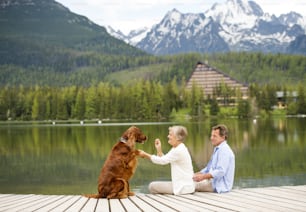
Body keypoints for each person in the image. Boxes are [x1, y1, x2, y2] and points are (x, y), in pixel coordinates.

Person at [138, 126, 195, 195]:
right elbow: (164, 159)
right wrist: (159, 149)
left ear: (178, 138)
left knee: (152, 186)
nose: (168, 136)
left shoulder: (178, 150)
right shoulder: (178, 148)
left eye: (170, 135)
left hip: (183, 188)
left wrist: (145, 155)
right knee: (154, 186)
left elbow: (162, 161)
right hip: (184, 185)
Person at [193, 124, 235, 193]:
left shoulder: (224, 151)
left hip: (219, 186)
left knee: (189, 185)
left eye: (214, 136)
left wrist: (203, 177)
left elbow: (220, 171)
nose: (211, 138)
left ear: (223, 137)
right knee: (190, 180)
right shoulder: (218, 149)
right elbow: (208, 169)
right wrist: (195, 174)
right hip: (212, 182)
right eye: (211, 135)